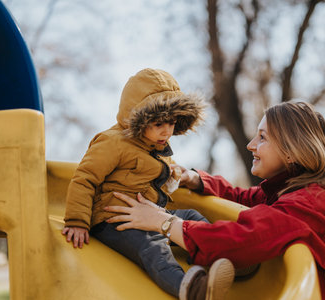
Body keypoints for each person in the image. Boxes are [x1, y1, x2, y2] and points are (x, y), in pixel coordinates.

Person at [104, 101, 325, 300]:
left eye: (262, 137)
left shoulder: (310, 204)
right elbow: (247, 199)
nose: (251, 144)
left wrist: (162, 222)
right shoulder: (297, 190)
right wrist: (197, 180)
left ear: (291, 151)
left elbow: (243, 237)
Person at [62, 68, 235, 300]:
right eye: (158, 124)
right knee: (152, 246)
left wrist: (174, 176)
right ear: (138, 118)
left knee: (191, 215)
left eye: (172, 123)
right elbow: (85, 178)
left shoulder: (157, 147)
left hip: (150, 213)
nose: (167, 131)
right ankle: (189, 288)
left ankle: (218, 253)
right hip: (114, 219)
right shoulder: (112, 142)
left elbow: (156, 178)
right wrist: (77, 221)